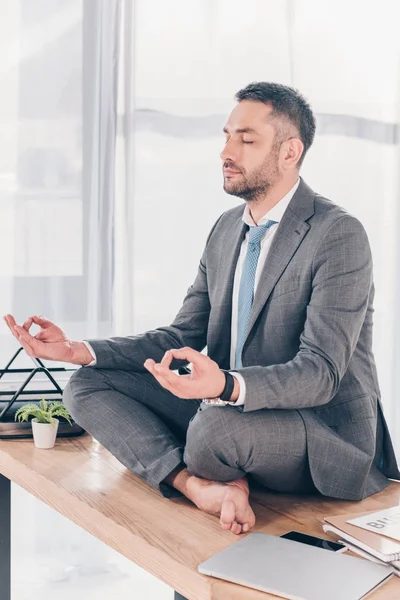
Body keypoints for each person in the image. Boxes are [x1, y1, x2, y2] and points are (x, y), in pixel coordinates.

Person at [4, 82, 399, 537]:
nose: (227, 151)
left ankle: (209, 464)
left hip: (315, 426)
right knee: (86, 385)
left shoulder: (337, 234)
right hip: (226, 407)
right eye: (227, 135)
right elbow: (181, 336)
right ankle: (194, 484)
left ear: (290, 152)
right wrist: (78, 349)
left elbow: (322, 372)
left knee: (213, 433)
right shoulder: (227, 228)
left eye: (246, 140)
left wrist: (228, 385)